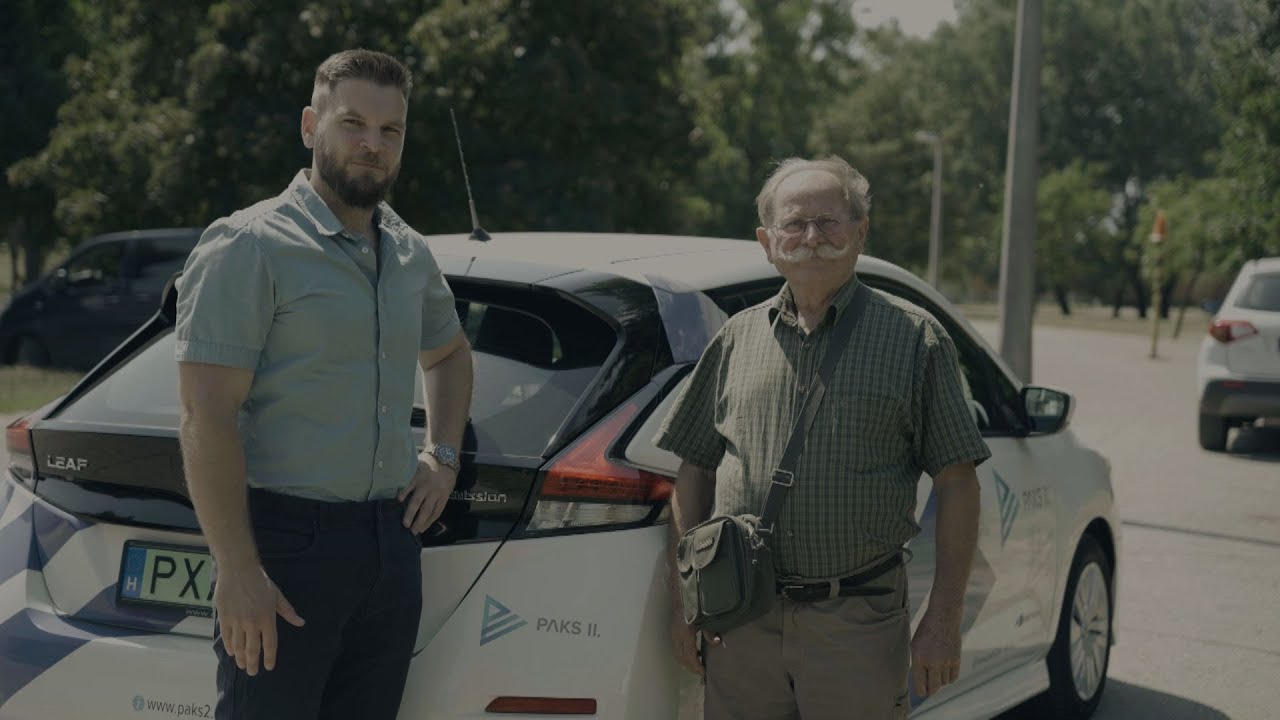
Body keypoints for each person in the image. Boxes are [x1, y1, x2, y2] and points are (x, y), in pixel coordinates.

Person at [175, 49, 473, 720]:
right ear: (311, 126)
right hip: (283, 550)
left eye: (390, 130)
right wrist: (238, 570)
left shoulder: (408, 251)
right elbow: (205, 415)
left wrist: (443, 456)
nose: (373, 144)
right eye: (353, 123)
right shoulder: (248, 245)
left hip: (390, 546)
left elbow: (451, 354)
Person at [656, 156, 989, 719]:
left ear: (860, 232)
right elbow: (693, 472)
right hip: (739, 623)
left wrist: (943, 619)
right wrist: (686, 604)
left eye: (829, 221)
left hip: (856, 623)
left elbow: (958, 483)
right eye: (794, 223)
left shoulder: (915, 338)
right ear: (767, 241)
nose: (812, 237)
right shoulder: (736, 339)